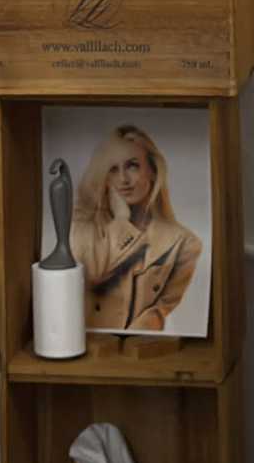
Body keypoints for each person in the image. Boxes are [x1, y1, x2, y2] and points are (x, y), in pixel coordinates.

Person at [74, 125, 203, 332]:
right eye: (113, 170)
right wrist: (122, 220)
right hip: (87, 344)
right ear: (105, 179)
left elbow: (160, 310)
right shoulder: (84, 226)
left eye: (133, 166)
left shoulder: (185, 243)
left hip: (140, 348)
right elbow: (92, 273)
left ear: (152, 171)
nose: (123, 180)